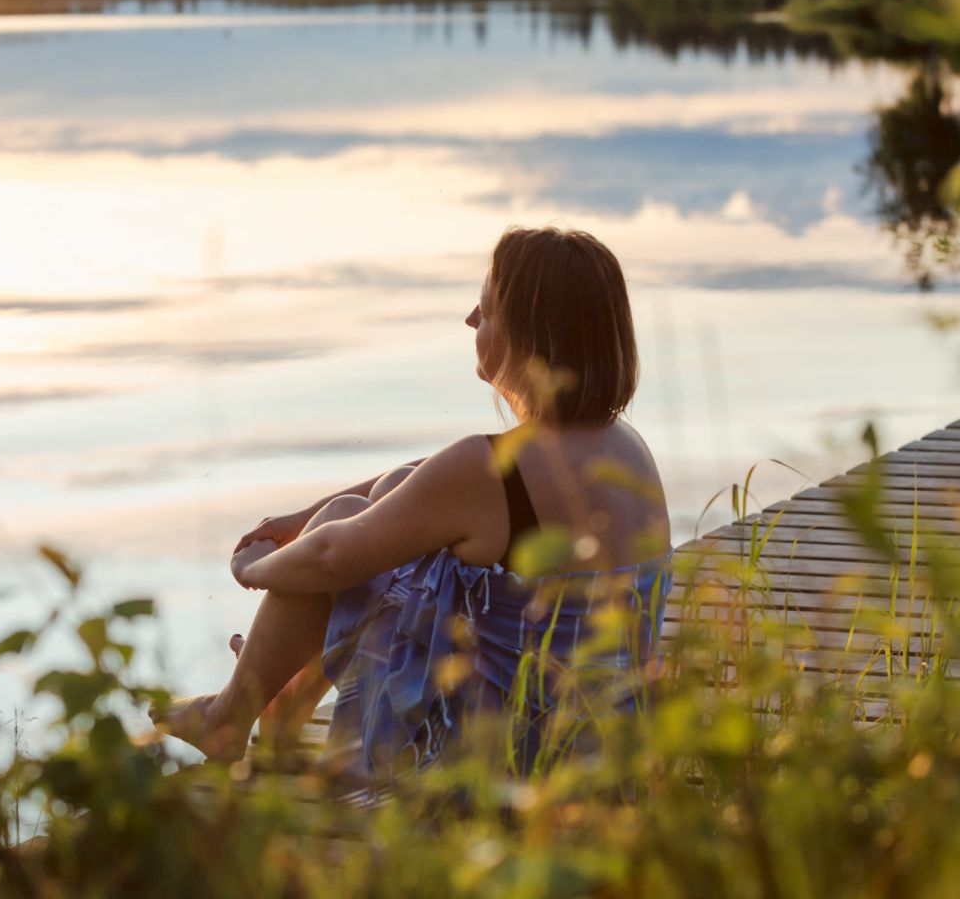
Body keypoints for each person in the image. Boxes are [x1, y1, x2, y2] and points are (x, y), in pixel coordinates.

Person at [152, 226, 674, 781]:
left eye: (488, 308)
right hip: (603, 745)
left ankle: (229, 714)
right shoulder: (625, 446)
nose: (471, 320)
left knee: (342, 534)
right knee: (371, 506)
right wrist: (304, 517)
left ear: (528, 335)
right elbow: (421, 480)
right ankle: (277, 709)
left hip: (510, 762)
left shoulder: (487, 469)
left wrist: (252, 569)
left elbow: (331, 555)